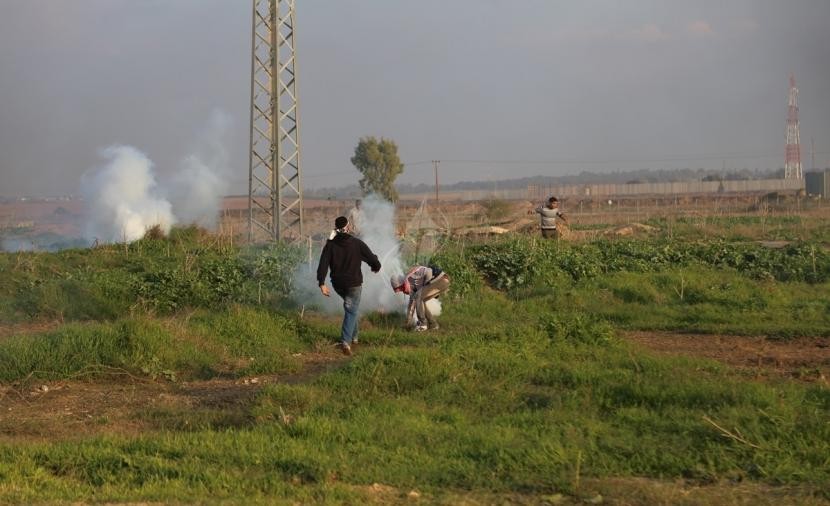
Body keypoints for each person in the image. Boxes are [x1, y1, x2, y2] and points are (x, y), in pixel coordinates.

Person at [317, 216, 381, 355]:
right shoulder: (356, 243)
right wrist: (376, 266)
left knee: (352, 308)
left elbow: (323, 264)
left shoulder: (330, 245)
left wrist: (322, 283)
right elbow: (371, 257)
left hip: (338, 284)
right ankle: (345, 342)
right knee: (351, 310)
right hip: (354, 284)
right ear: (347, 227)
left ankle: (355, 337)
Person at [390, 264, 450, 331]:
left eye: (400, 288)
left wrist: (428, 284)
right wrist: (407, 322)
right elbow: (411, 305)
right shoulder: (412, 285)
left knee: (419, 296)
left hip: (441, 280)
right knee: (421, 300)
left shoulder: (410, 277)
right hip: (441, 281)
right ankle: (433, 324)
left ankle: (422, 324)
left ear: (401, 283)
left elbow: (429, 271)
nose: (402, 291)